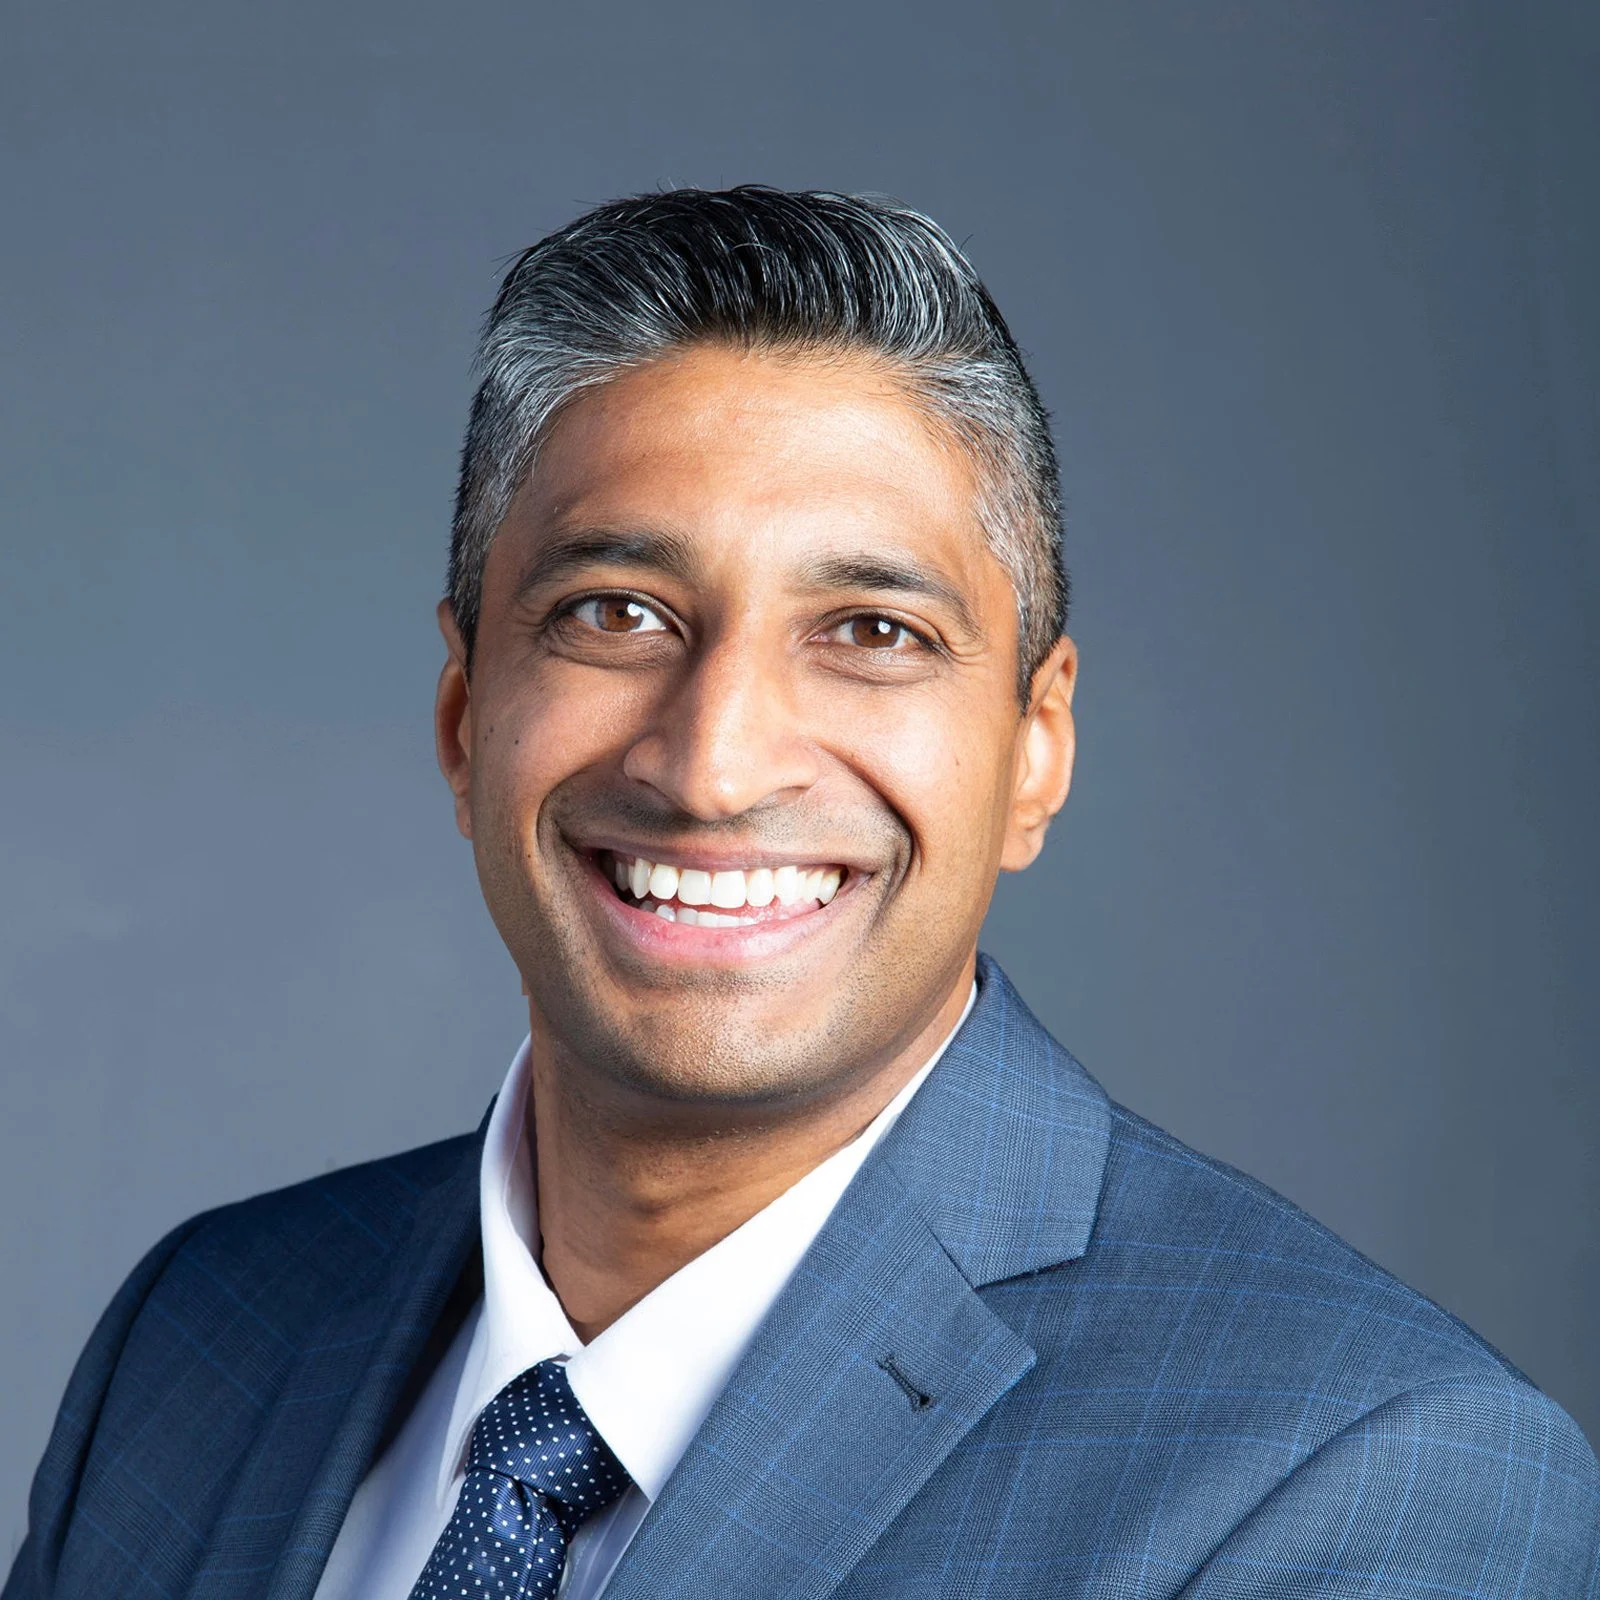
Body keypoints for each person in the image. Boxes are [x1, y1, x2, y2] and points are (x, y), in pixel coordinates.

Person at [6, 187, 1597, 1600]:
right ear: (463, 712)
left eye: (872, 633)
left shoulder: (1361, 1479)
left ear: (1037, 750)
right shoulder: (201, 1336)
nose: (713, 765)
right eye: (618, 612)